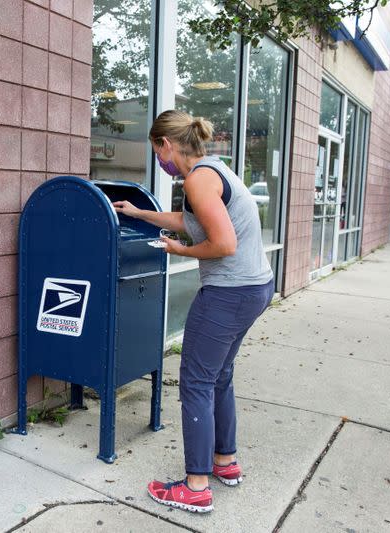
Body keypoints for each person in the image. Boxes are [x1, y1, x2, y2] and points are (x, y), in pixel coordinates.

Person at [113, 110, 274, 514]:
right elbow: (189, 220)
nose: (160, 162)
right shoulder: (214, 169)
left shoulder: (198, 179)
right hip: (254, 287)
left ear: (166, 144)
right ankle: (225, 463)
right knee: (219, 376)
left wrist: (178, 250)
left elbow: (222, 244)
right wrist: (137, 214)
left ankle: (196, 486)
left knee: (196, 382)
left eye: (157, 152)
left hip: (228, 293)